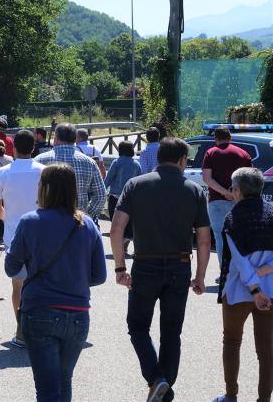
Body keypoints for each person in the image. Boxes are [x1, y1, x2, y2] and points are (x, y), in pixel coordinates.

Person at [110, 137, 211, 402]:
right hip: (180, 266)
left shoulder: (135, 185)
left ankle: (157, 380)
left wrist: (120, 267)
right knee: (171, 332)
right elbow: (203, 239)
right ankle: (163, 386)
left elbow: (117, 228)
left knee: (137, 326)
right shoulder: (194, 190)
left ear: (158, 157)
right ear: (182, 160)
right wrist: (200, 276)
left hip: (145, 264)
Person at [5, 164, 106, 402]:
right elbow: (99, 275)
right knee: (64, 381)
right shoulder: (87, 224)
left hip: (39, 310)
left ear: (45, 188)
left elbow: (11, 268)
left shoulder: (30, 221)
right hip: (78, 313)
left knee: (48, 389)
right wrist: (73, 278)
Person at [214, 167, 273, 402]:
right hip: (270, 290)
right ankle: (264, 399)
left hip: (238, 291)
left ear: (237, 191)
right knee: (267, 349)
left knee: (232, 342)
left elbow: (239, 262)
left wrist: (254, 289)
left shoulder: (233, 219)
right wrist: (265, 271)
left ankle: (231, 396)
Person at [0, 129, 45, 348]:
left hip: (14, 235)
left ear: (13, 148)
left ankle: (22, 330)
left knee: (18, 286)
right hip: (41, 235)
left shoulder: (3, 172)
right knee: (41, 283)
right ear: (33, 148)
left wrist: (9, 219)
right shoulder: (43, 171)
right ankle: (41, 327)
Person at [35, 123, 107, 222]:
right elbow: (101, 195)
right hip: (78, 222)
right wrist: (86, 216)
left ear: (55, 139)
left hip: (46, 221)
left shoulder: (39, 160)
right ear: (74, 139)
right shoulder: (89, 162)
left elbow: (32, 192)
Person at [203, 127, 253, 267]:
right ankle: (241, 269)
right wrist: (235, 194)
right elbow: (250, 179)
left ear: (216, 139)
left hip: (217, 201)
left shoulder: (211, 153)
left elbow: (207, 178)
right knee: (240, 237)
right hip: (240, 202)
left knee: (220, 237)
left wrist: (225, 192)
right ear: (230, 137)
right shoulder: (243, 153)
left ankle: (224, 271)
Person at [105, 141, 143, 252]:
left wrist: (102, 190)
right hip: (131, 198)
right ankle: (125, 240)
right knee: (128, 222)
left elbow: (108, 179)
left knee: (115, 222)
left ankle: (121, 242)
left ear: (120, 150)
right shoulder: (137, 164)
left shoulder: (116, 162)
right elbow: (139, 181)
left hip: (115, 197)